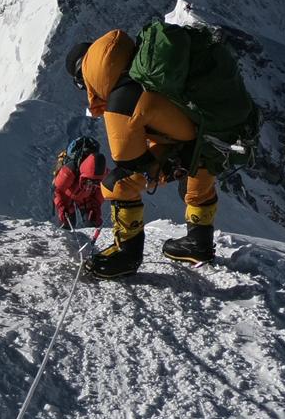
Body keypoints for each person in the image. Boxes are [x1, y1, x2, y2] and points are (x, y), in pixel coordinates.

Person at [65, 30, 218, 279]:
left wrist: (162, 167)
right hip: (211, 132)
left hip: (187, 142)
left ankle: (126, 256)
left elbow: (130, 162)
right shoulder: (143, 70)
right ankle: (199, 243)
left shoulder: (120, 101)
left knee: (117, 183)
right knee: (199, 164)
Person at [52, 138, 107, 230]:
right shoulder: (69, 171)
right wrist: (62, 207)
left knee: (92, 222)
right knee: (67, 224)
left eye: (96, 182)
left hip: (85, 196)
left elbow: (98, 196)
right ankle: (66, 240)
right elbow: (57, 190)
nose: (92, 185)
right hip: (67, 195)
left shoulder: (103, 175)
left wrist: (95, 209)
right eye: (89, 181)